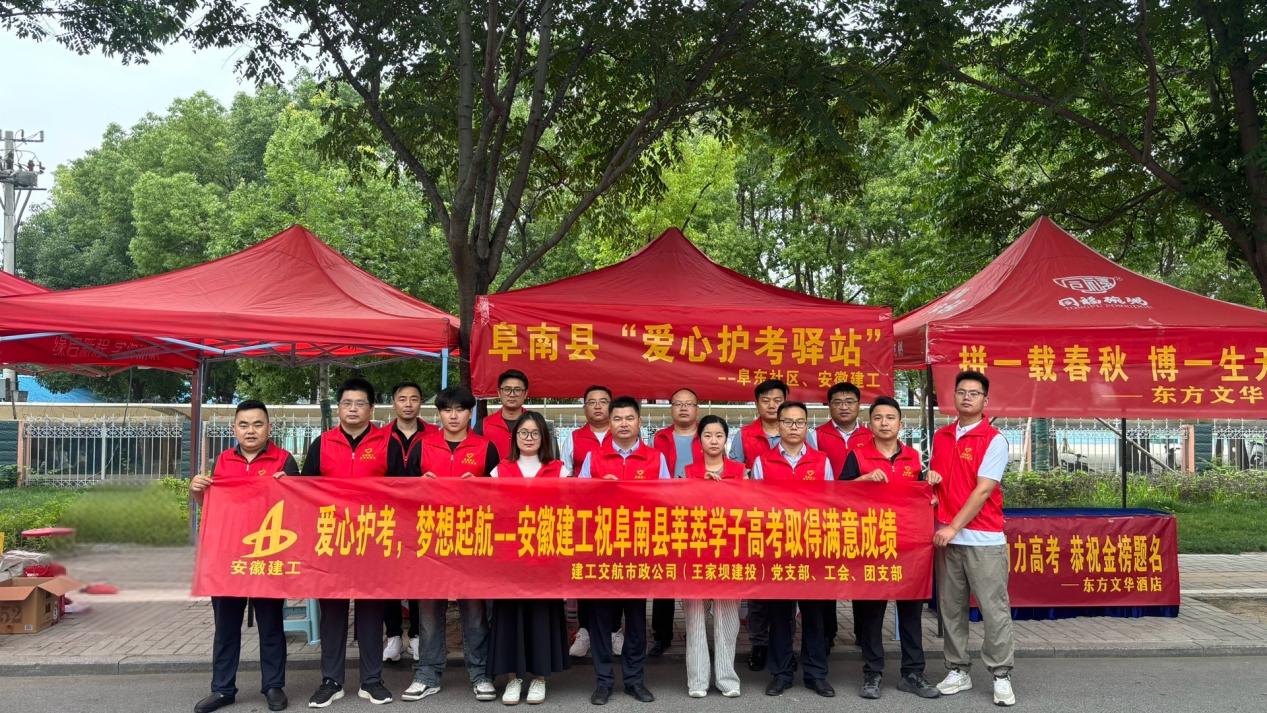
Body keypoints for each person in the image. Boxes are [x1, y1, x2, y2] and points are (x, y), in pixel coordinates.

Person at [191, 400, 299, 713]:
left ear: (269, 428)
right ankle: (222, 689)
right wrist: (197, 491)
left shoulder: (284, 460)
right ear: (234, 429)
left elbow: (299, 509)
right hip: (229, 559)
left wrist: (291, 487)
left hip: (268, 556)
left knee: (271, 626)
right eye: (244, 424)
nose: (250, 431)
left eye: (257, 424)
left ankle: (273, 686)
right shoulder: (223, 460)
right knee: (226, 628)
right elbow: (213, 507)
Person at [839, 396, 941, 700]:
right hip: (871, 545)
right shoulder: (857, 456)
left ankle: (913, 673)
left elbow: (925, 498)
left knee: (910, 612)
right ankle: (872, 673)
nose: (884, 423)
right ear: (869, 424)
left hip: (909, 548)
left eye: (890, 418)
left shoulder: (913, 457)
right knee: (871, 614)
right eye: (878, 418)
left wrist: (930, 488)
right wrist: (863, 479)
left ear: (900, 423)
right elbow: (838, 496)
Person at [402, 386, 500, 702]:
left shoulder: (486, 448)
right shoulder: (422, 446)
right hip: (431, 539)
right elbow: (401, 494)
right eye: (447, 410)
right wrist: (419, 486)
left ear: (470, 413)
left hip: (473, 539)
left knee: (475, 611)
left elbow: (501, 495)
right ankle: (427, 674)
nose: (453, 415)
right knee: (429, 611)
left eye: (460, 409)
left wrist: (481, 486)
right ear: (440, 414)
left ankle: (481, 673)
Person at [300, 378, 393, 708]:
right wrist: (286, 483)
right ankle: (332, 681)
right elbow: (304, 489)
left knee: (371, 612)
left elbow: (405, 491)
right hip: (332, 540)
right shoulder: (322, 443)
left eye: (360, 403)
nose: (353, 409)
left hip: (372, 539)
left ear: (371, 409)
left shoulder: (387, 443)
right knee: (333, 614)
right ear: (339, 408)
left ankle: (372, 680)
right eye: (347, 403)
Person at [928, 370, 1017, 707]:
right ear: (953, 396)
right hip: (948, 540)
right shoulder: (941, 436)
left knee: (994, 610)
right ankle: (957, 669)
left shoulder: (994, 439)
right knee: (951, 609)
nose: (967, 397)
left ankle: (1001, 674)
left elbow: (982, 491)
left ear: (985, 400)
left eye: (974, 393)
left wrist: (953, 527)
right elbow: (941, 482)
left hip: (983, 540)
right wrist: (930, 485)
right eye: (961, 391)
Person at [579, 396, 669, 705]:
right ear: (609, 423)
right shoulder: (594, 457)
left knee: (635, 618)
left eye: (629, 418)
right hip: (602, 547)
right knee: (601, 619)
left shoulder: (655, 458)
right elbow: (578, 500)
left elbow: (667, 500)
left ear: (639, 422)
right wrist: (597, 489)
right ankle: (603, 681)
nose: (623, 424)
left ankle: (634, 680)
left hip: (638, 548)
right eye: (617, 419)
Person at [752, 401, 835, 698]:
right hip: (777, 547)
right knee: (779, 614)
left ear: (807, 425)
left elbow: (830, 502)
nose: (793, 427)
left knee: (815, 615)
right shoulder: (763, 461)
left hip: (812, 547)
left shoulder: (821, 461)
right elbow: (755, 504)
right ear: (778, 425)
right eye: (787, 422)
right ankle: (781, 673)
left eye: (800, 422)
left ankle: (816, 674)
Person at [488, 413, 572, 704]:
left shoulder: (559, 470)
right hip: (510, 558)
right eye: (523, 432)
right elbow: (490, 510)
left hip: (545, 558)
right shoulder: (500, 470)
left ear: (544, 438)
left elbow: (570, 508)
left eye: (535, 433)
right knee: (511, 616)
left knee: (540, 616)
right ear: (515, 437)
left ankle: (539, 678)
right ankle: (513, 678)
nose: (528, 438)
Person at [680, 415, 744, 699]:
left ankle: (727, 679)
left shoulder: (740, 471)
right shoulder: (687, 472)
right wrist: (698, 488)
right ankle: (697, 680)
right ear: (700, 440)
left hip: (729, 552)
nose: (714, 441)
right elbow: (678, 510)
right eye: (708, 435)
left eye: (719, 435)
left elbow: (750, 508)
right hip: (695, 552)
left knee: (727, 619)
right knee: (694, 617)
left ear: (726, 439)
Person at [727, 378, 788, 672]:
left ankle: (784, 646)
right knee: (759, 586)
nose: (772, 405)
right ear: (757, 404)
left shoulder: (801, 432)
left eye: (778, 400)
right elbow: (735, 474)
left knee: (789, 585)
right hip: (757, 521)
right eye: (766, 400)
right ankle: (759, 644)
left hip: (793, 521)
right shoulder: (744, 435)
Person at [808, 381, 870, 650]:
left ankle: (864, 633)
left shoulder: (871, 434)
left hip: (863, 517)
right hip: (826, 516)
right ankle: (827, 633)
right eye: (837, 402)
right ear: (829, 406)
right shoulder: (816, 435)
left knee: (862, 576)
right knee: (827, 576)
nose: (844, 407)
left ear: (859, 405)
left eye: (849, 402)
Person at [562, 385, 618, 660]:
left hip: (619, 518)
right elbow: (564, 477)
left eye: (603, 401)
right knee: (586, 574)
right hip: (585, 519)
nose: (597, 406)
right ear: (584, 407)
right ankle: (584, 631)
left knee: (616, 574)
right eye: (591, 402)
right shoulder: (573, 438)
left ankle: (615, 630)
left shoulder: (621, 435)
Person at [648, 388, 703, 658]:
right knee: (665, 575)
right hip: (666, 513)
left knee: (697, 575)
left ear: (697, 408)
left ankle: (697, 632)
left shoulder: (707, 435)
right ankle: (662, 634)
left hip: (700, 514)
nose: (683, 408)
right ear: (671, 408)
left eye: (688, 404)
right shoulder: (660, 438)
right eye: (678, 404)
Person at [383, 381, 433, 664]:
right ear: (394, 402)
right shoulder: (380, 436)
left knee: (418, 576)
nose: (408, 404)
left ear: (420, 402)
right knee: (388, 576)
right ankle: (392, 635)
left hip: (420, 516)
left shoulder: (433, 435)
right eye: (402, 398)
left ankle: (415, 635)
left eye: (414, 399)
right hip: (387, 517)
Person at [476, 369, 530, 460]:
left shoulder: (536, 424)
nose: (512, 394)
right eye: (507, 389)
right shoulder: (483, 425)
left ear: (525, 394)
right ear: (499, 392)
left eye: (517, 390)